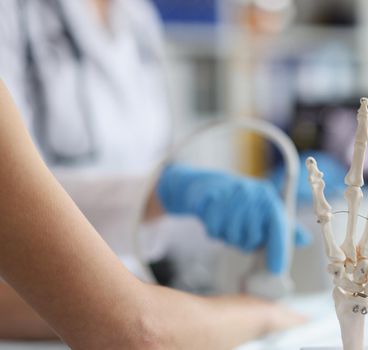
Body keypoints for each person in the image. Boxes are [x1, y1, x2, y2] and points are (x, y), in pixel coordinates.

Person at [0, 0, 308, 339]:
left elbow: (153, 212)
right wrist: (264, 317)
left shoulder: (137, 15)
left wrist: (232, 204)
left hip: (127, 296)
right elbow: (138, 330)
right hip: (39, 304)